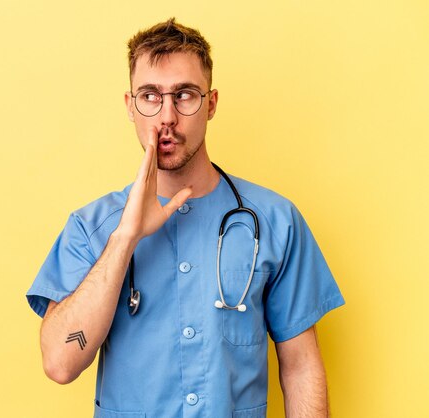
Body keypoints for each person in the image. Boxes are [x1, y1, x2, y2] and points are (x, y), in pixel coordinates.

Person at [27, 18, 344, 418]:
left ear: (210, 103)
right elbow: (59, 363)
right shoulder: (91, 228)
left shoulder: (276, 222)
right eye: (150, 96)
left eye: (185, 95)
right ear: (130, 106)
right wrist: (125, 237)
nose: (167, 117)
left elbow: (300, 368)